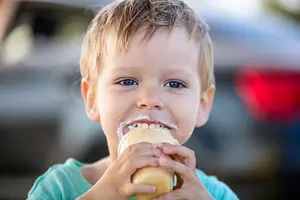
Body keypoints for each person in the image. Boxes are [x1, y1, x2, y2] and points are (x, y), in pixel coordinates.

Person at [27, 0, 239, 199]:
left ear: (202, 105)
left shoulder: (214, 194)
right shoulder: (59, 188)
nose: (150, 99)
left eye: (175, 84)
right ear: (92, 99)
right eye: (127, 81)